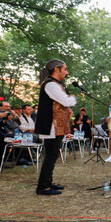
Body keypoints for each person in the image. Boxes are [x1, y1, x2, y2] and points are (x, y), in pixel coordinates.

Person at [34, 59, 77, 195]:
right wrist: (72, 98)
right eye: (65, 69)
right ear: (56, 70)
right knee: (50, 156)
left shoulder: (55, 85)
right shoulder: (51, 85)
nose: (67, 72)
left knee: (52, 155)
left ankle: (48, 182)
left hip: (55, 126)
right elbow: (65, 101)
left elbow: (60, 104)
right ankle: (43, 186)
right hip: (50, 126)